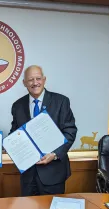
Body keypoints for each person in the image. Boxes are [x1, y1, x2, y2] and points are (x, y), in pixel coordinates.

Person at [10, 65, 77, 196]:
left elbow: (70, 131)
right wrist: (10, 144)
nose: (35, 83)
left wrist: (54, 154)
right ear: (24, 83)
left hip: (53, 173)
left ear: (44, 80)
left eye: (38, 78)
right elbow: (15, 132)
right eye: (30, 80)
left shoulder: (61, 102)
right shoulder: (17, 106)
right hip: (28, 175)